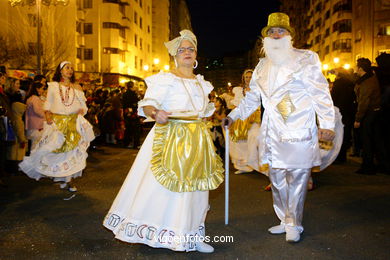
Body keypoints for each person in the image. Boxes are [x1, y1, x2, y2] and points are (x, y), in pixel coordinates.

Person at [103, 29, 224, 253]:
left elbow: (202, 111)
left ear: (196, 54)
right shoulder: (165, 79)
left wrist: (219, 117)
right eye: (182, 50)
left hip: (197, 139)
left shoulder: (202, 83)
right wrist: (155, 112)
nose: (187, 52)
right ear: (175, 55)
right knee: (165, 188)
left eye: (190, 49)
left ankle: (193, 234)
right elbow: (148, 104)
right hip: (171, 136)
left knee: (197, 189)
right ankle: (164, 231)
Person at [223, 13, 335, 243]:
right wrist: (233, 116)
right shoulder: (262, 66)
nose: (275, 35)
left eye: (280, 31)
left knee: (297, 177)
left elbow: (320, 93)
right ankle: (283, 219)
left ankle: (294, 223)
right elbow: (252, 99)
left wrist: (327, 124)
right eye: (271, 32)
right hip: (271, 132)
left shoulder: (306, 59)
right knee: (275, 178)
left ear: (289, 36)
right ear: (265, 38)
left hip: (298, 130)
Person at [19, 61, 94, 192]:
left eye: (71, 68)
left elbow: (84, 106)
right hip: (58, 123)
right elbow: (48, 104)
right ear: (60, 71)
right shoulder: (53, 86)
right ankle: (57, 175)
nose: (70, 70)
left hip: (72, 122)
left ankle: (67, 180)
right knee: (54, 149)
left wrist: (82, 110)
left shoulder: (77, 88)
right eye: (66, 68)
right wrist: (48, 116)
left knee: (71, 151)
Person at [229, 69, 261, 174]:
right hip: (241, 119)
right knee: (238, 143)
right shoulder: (239, 90)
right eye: (246, 77)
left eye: (250, 77)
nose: (248, 79)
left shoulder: (258, 89)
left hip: (254, 118)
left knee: (254, 138)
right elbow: (235, 105)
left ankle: (255, 163)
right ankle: (243, 166)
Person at [354, 58, 382, 175]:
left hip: (369, 113)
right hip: (371, 112)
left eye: (356, 67)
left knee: (367, 140)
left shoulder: (367, 82)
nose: (355, 69)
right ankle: (369, 164)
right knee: (369, 139)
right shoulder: (366, 79)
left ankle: (368, 166)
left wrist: (358, 119)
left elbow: (363, 102)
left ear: (360, 68)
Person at [25, 82, 47, 151]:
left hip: (32, 124)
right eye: (42, 89)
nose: (43, 90)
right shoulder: (35, 98)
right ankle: (33, 160)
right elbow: (38, 111)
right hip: (37, 125)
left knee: (34, 145)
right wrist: (45, 114)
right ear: (37, 89)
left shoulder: (30, 98)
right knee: (36, 145)